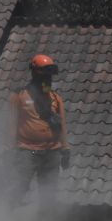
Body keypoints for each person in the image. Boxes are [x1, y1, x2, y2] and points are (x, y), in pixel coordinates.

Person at [10, 54, 69, 207]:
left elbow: (62, 125)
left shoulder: (56, 98)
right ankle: (5, 218)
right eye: (45, 74)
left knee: (49, 190)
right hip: (27, 150)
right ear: (35, 73)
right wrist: (9, 148)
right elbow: (10, 124)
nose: (48, 78)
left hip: (52, 151)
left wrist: (66, 148)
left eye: (50, 75)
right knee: (19, 186)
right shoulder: (19, 96)